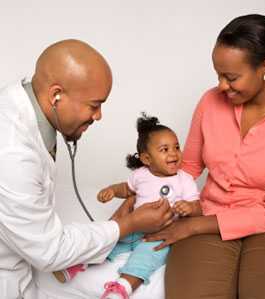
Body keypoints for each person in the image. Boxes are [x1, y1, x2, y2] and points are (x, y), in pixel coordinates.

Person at [0, 39, 173, 299]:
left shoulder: (26, 105)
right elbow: (50, 250)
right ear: (56, 95)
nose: (99, 115)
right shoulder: (12, 153)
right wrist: (126, 225)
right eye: (94, 105)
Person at [144, 14, 265, 299]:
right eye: (218, 74)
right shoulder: (211, 101)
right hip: (210, 212)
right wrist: (146, 190)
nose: (221, 86)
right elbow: (188, 166)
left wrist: (193, 226)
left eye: (231, 77)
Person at [54, 113, 200, 299]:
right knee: (110, 243)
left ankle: (123, 287)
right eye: (165, 149)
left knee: (146, 259)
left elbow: (198, 206)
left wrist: (189, 207)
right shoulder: (141, 174)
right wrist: (112, 190)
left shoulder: (184, 180)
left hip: (159, 234)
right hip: (136, 226)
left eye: (176, 147)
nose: (173, 153)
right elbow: (127, 188)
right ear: (147, 159)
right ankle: (79, 264)